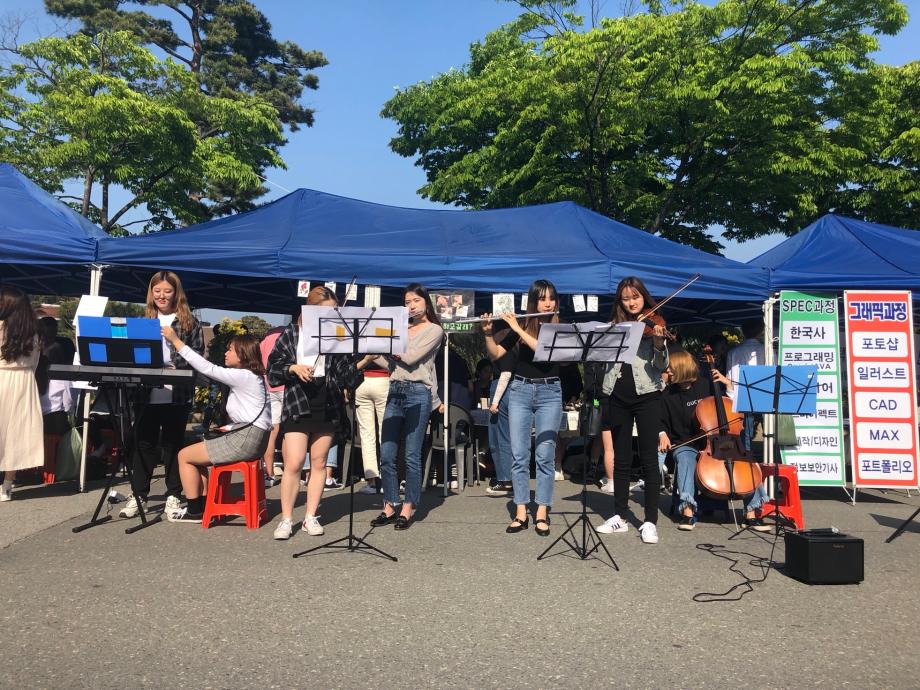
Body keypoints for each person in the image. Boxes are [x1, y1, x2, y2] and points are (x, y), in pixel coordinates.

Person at [268, 286, 357, 540]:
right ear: (310, 310)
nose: (331, 316)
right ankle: (286, 519)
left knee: (319, 462)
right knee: (294, 461)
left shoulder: (336, 336)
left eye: (334, 311)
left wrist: (361, 358)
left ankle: (310, 516)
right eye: (325, 312)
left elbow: (345, 375)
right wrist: (293, 368)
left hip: (327, 401)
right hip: (298, 401)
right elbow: (273, 366)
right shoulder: (292, 332)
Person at [161, 328, 271, 523]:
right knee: (197, 453)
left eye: (230, 350)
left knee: (184, 456)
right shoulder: (254, 378)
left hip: (245, 440)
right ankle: (204, 505)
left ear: (243, 355)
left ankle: (194, 511)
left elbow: (207, 368)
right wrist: (227, 429)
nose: (226, 353)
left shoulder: (243, 376)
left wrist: (176, 341)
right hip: (253, 439)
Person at [482, 279, 563, 537]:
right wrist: (488, 333)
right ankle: (520, 511)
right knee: (519, 454)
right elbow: (496, 354)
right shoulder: (523, 325)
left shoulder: (558, 327)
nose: (547, 303)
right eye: (542, 298)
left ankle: (542, 512)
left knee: (545, 455)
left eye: (551, 298)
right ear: (533, 302)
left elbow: (544, 351)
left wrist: (516, 326)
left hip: (550, 392)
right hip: (520, 391)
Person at [120, 271, 203, 519]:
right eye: (157, 291)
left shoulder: (190, 323)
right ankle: (139, 495)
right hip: (145, 392)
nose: (162, 296)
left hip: (177, 393)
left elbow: (197, 358)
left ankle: (173, 495)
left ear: (176, 293)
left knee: (172, 444)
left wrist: (175, 344)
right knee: (143, 443)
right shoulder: (143, 320)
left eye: (167, 291)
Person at [660, 350, 770, 532]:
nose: (668, 371)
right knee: (685, 459)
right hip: (686, 442)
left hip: (718, 441)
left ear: (682, 368)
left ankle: (751, 514)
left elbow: (734, 406)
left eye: (671, 368)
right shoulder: (667, 395)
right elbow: (659, 420)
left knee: (746, 462)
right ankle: (688, 511)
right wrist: (662, 433)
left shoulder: (708, 385)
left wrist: (728, 385)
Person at [596, 276, 669, 544]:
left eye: (635, 297)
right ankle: (619, 516)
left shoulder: (654, 323)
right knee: (621, 458)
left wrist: (659, 344)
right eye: (626, 299)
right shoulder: (615, 326)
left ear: (643, 297)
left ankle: (650, 521)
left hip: (647, 394)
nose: (631, 303)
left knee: (649, 458)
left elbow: (661, 366)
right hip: (617, 394)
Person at [369, 283, 443, 531]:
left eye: (416, 301)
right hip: (395, 390)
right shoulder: (400, 329)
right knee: (387, 452)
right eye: (407, 302)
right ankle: (390, 504)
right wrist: (373, 353)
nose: (411, 306)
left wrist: (387, 344)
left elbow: (410, 358)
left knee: (411, 454)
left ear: (426, 303)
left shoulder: (434, 330)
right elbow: (391, 365)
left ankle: (408, 507)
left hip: (418, 393)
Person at [0, 286, 44, 501]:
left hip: (2, 377)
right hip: (25, 382)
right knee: (15, 434)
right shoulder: (33, 333)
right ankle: (7, 486)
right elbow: (35, 362)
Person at [725, 319, 765, 452]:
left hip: (740, 396)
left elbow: (729, 378)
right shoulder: (767, 351)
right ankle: (768, 457)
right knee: (768, 431)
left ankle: (746, 456)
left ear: (743, 332)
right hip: (764, 395)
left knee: (745, 433)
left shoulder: (733, 352)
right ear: (760, 332)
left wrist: (732, 398)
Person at [354, 353, 390, 494]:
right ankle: (386, 480)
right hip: (384, 379)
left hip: (362, 380)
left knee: (366, 435)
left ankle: (371, 482)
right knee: (385, 433)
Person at [259, 324, 286, 487]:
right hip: (286, 386)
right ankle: (290, 472)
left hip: (269, 386)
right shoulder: (288, 335)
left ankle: (269, 474)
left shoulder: (265, 340)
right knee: (289, 431)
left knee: (272, 431)